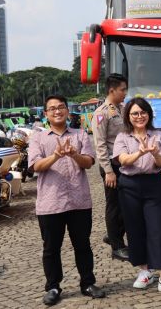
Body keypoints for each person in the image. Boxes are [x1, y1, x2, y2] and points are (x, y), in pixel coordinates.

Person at [28, 95, 105, 306]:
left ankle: (87, 283)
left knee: (83, 245)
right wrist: (55, 156)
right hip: (50, 203)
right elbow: (35, 166)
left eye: (61, 107)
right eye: (52, 109)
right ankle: (53, 286)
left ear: (67, 111)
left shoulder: (80, 135)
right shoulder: (38, 138)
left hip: (79, 201)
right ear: (46, 114)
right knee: (51, 248)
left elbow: (88, 162)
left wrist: (73, 155)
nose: (57, 111)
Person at [113, 97, 161, 296]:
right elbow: (122, 161)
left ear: (149, 114)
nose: (139, 116)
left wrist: (154, 153)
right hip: (129, 186)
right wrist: (139, 152)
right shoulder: (122, 137)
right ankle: (145, 271)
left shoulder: (159, 136)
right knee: (135, 230)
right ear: (128, 116)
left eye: (143, 112)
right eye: (135, 113)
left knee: (157, 229)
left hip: (153, 184)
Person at [92, 73, 130, 261]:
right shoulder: (101, 113)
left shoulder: (123, 109)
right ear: (112, 90)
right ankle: (117, 246)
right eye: (122, 89)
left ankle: (112, 233)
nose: (125, 93)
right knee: (114, 206)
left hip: (124, 164)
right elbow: (99, 145)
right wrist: (108, 171)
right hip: (111, 167)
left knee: (126, 204)